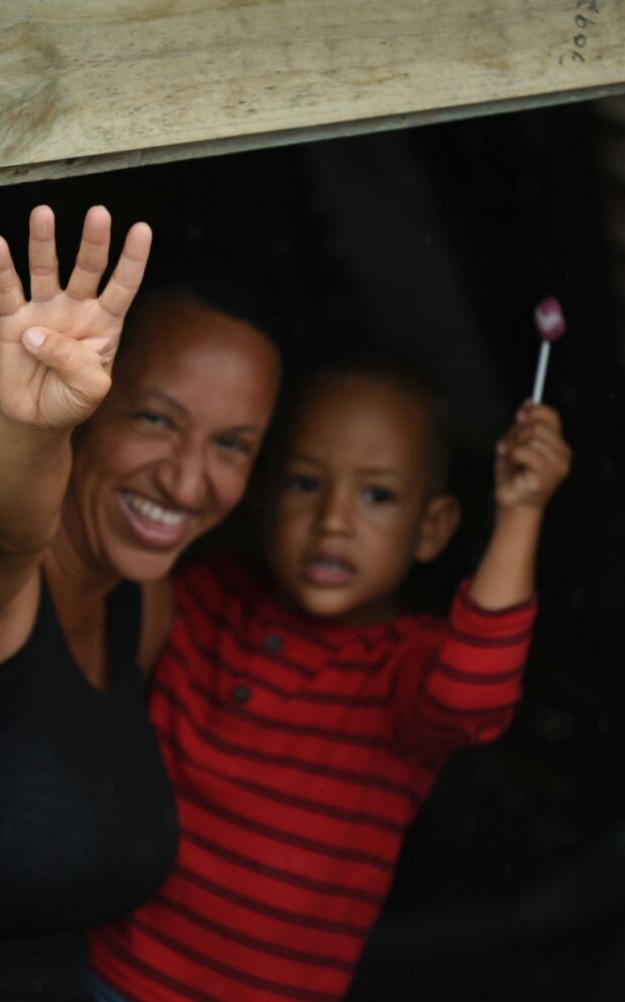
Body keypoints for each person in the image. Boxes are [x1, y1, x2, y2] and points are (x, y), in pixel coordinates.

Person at [89, 354, 573, 1001]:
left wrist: (520, 514)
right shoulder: (202, 596)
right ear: (261, 499)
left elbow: (473, 696)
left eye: (377, 496)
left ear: (431, 530)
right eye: (305, 483)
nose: (334, 521)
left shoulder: (402, 669)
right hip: (100, 973)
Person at [0, 205, 282, 1000]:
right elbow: (1, 530)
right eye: (154, 419)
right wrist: (33, 431)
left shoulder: (146, 605)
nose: (187, 482)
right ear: (89, 398)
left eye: (231, 445)